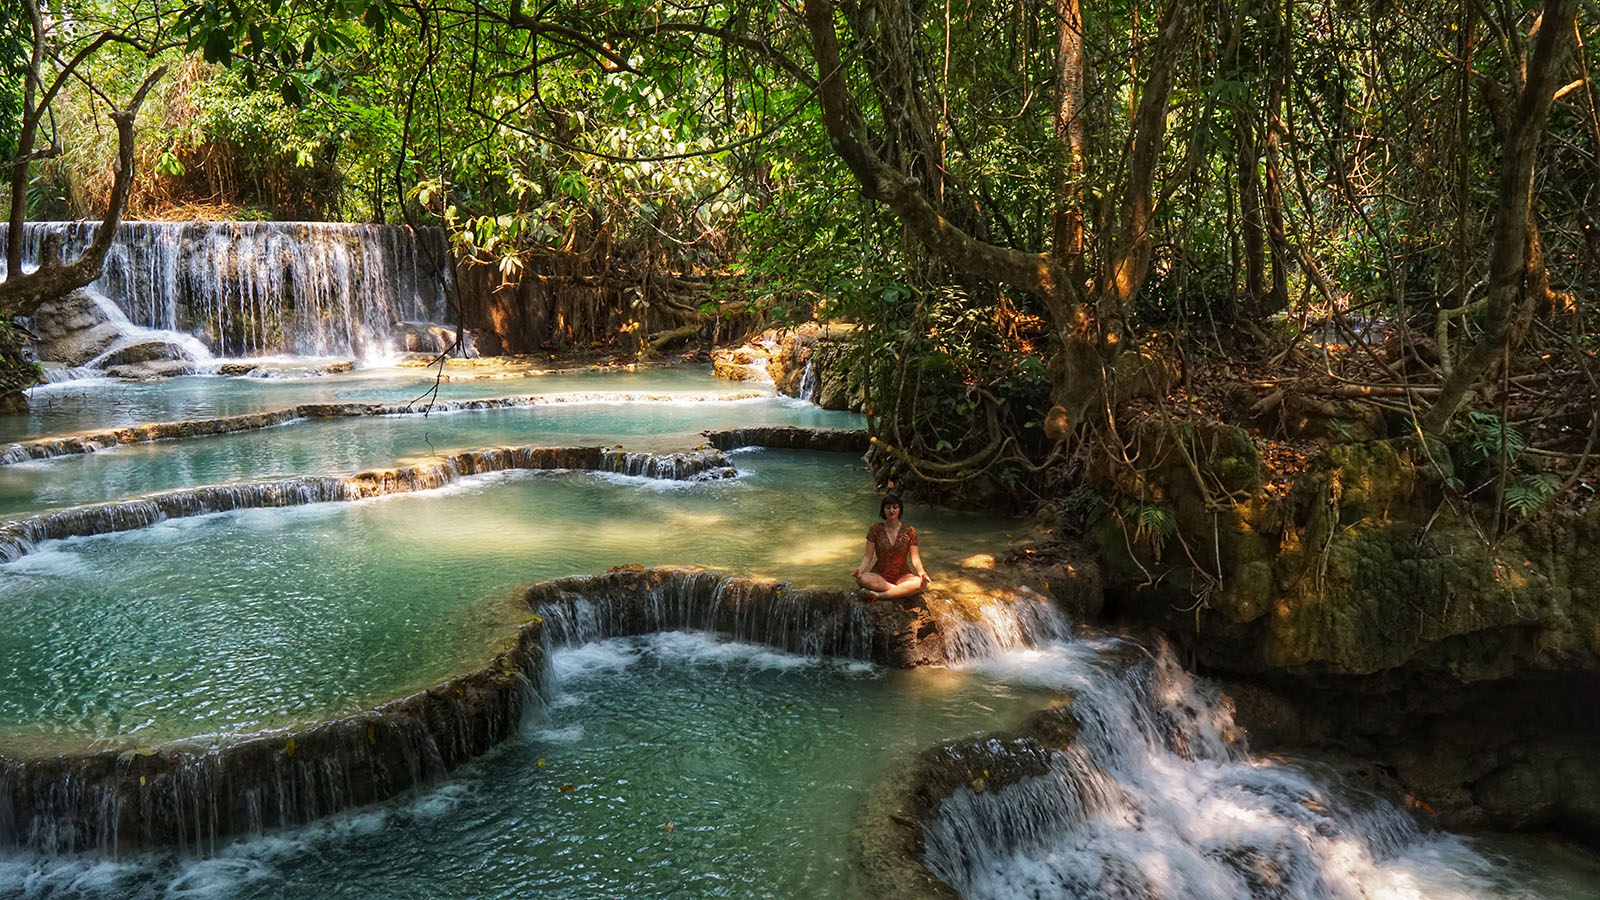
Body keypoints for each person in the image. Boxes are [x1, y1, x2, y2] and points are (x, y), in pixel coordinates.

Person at [851, 493, 931, 602]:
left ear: (900, 509)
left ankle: (880, 595)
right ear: (883, 510)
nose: (891, 510)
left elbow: (915, 559)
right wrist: (860, 570)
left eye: (895, 507)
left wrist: (922, 573)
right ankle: (901, 592)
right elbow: (867, 556)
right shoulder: (875, 529)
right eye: (888, 507)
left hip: (902, 575)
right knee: (861, 579)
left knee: (918, 582)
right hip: (880, 574)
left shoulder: (909, 531)